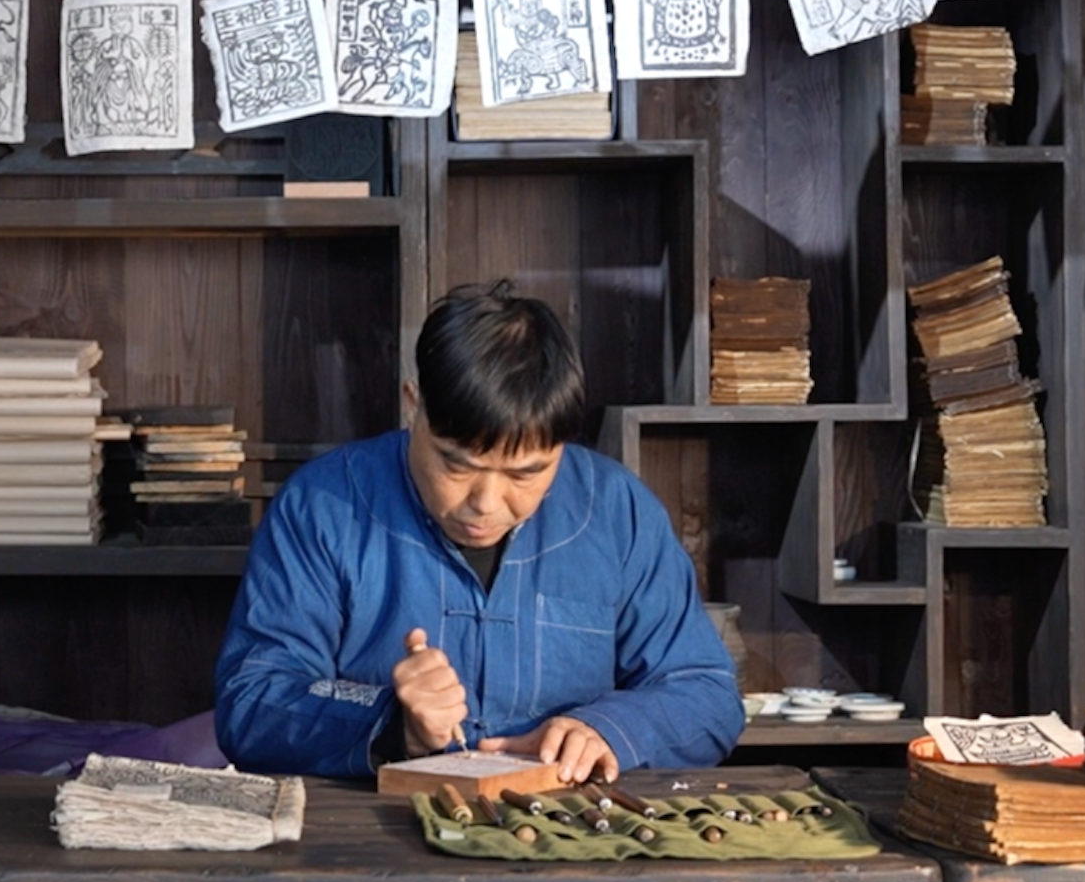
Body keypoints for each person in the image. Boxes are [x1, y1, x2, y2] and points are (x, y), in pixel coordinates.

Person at [213, 283, 743, 782]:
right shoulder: (323, 507)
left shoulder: (617, 512)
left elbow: (707, 694)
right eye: (457, 465)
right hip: (377, 842)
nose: (485, 504)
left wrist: (610, 728)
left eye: (526, 474)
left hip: (572, 840)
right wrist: (391, 725)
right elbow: (253, 697)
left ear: (562, 447)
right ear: (412, 405)